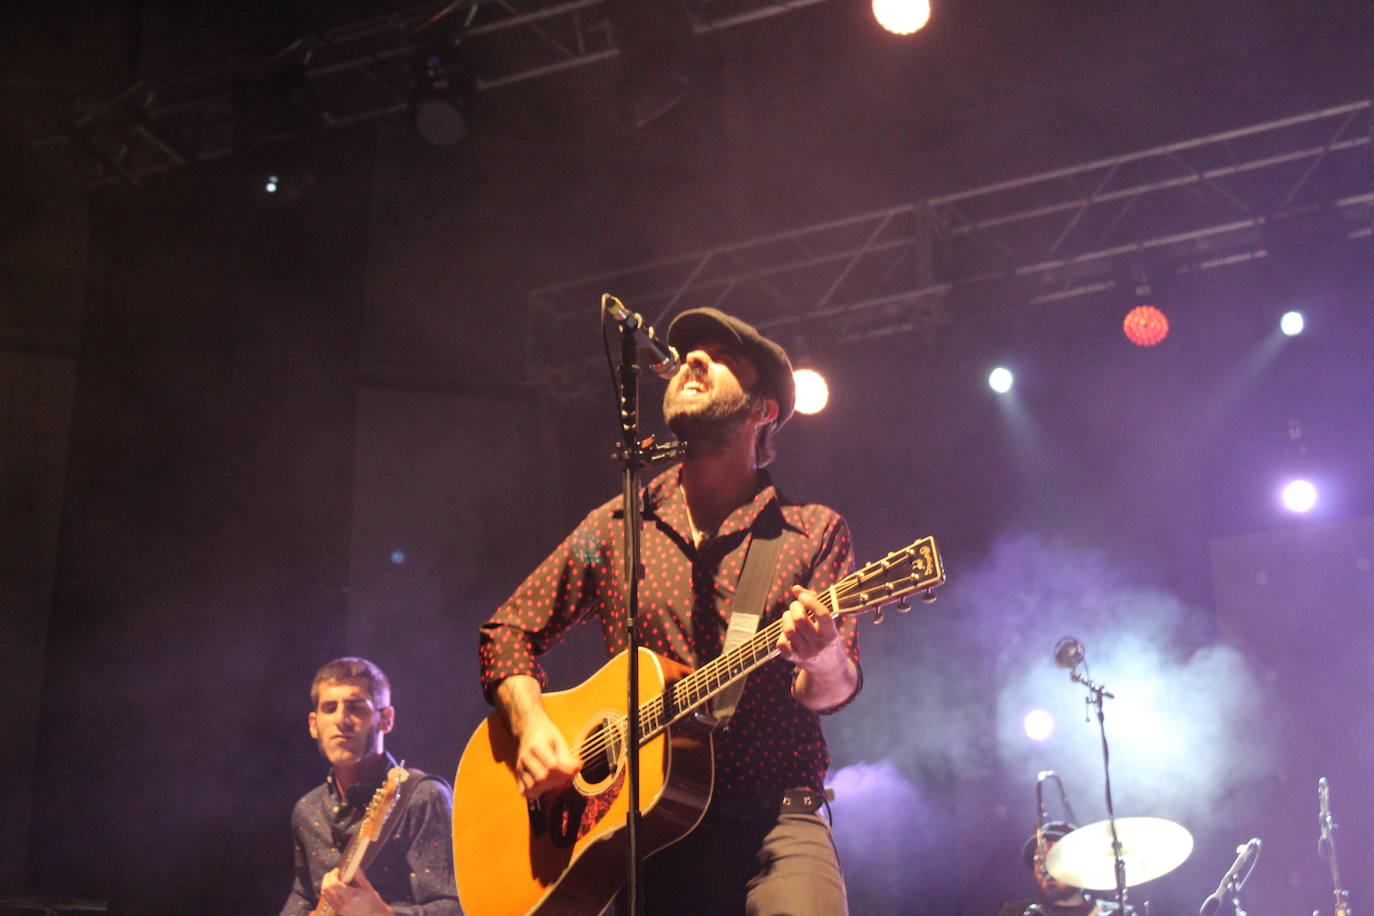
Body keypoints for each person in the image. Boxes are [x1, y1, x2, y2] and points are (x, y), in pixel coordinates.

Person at [479, 307, 863, 915]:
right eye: (688, 353)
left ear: (763, 410)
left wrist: (826, 655)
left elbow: (831, 691)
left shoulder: (810, 532)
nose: (693, 360)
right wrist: (530, 724)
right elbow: (508, 630)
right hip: (645, 831)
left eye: (721, 356)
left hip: (775, 819)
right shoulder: (618, 525)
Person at [280, 657, 460, 916]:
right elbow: (303, 895)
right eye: (329, 708)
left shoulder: (423, 797)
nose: (341, 720)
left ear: (386, 719)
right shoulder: (308, 810)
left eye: (356, 708)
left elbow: (456, 907)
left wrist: (384, 914)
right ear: (313, 724)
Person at [995, 822, 1136, 916]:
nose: (1046, 868)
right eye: (1038, 860)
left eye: (1056, 858)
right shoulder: (1015, 913)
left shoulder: (1117, 913)